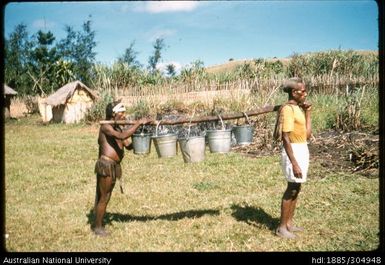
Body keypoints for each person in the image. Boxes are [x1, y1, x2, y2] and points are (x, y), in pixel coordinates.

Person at [93, 100, 152, 236]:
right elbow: (122, 136)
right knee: (104, 197)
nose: (124, 116)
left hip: (114, 166)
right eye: (122, 113)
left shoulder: (118, 127)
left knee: (106, 196)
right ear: (114, 114)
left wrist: (143, 136)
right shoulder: (106, 126)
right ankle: (97, 227)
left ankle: (99, 222)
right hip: (106, 165)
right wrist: (138, 123)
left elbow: (127, 144)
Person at [276, 77, 312, 239]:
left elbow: (307, 135)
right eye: (302, 91)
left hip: (302, 148)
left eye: (305, 91)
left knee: (297, 188)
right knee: (291, 188)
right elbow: (285, 138)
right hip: (293, 152)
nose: (305, 93)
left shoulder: (298, 109)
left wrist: (308, 113)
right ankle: (282, 228)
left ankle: (289, 223)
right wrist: (294, 163)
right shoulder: (288, 110)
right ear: (293, 92)